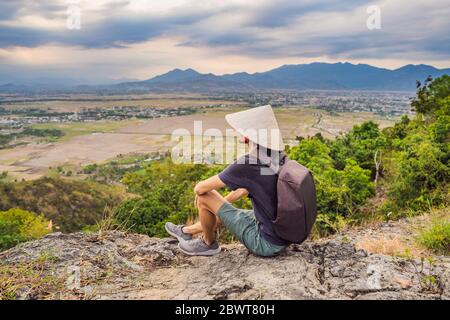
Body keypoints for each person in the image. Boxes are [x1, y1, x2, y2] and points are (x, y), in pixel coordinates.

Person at [165, 105, 289, 257]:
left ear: (246, 136)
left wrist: (213, 203)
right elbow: (245, 189)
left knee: (203, 197)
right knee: (221, 208)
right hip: (280, 232)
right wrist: (220, 205)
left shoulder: (249, 162)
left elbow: (200, 188)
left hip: (265, 243)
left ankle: (208, 244)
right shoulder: (277, 156)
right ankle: (186, 231)